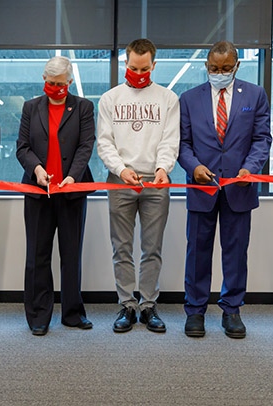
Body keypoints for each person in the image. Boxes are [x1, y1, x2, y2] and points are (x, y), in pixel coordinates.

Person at [178, 41, 272, 339]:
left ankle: (232, 309)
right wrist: (193, 167)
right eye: (214, 69)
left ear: (236, 66)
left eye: (225, 68)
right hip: (201, 187)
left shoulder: (255, 95)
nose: (219, 73)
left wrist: (251, 168)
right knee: (197, 253)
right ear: (207, 67)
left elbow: (262, 139)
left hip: (239, 188)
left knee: (235, 252)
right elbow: (182, 143)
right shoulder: (189, 98)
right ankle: (195, 310)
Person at [97, 38, 180, 333]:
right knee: (121, 247)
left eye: (144, 68)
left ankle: (148, 305)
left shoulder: (168, 99)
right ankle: (126, 305)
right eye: (133, 67)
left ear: (153, 65)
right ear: (125, 63)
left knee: (151, 247)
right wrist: (121, 170)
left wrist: (162, 168)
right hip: (120, 181)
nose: (139, 73)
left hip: (156, 182)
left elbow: (170, 140)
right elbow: (105, 143)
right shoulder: (110, 99)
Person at [16, 56, 95, 336]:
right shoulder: (31, 107)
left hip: (72, 192)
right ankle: (38, 315)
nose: (56, 88)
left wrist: (72, 177)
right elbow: (22, 147)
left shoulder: (84, 107)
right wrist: (37, 169)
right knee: (37, 254)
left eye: (61, 84)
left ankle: (73, 313)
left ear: (70, 82)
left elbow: (86, 146)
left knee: (71, 254)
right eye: (51, 83)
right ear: (43, 81)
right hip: (38, 192)